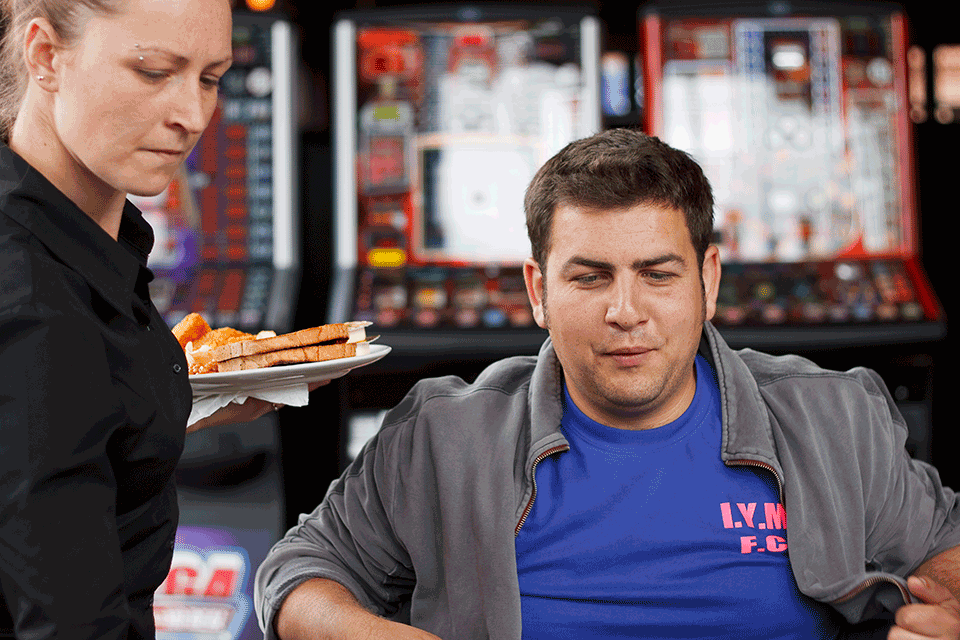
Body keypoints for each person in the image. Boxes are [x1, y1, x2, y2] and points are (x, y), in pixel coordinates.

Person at [254, 129, 960, 640]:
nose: (626, 311)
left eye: (658, 275)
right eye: (590, 278)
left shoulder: (834, 417)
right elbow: (297, 572)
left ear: (708, 281)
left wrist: (947, 608)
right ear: (538, 291)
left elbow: (944, 545)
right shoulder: (444, 435)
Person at [0, 0, 293, 637]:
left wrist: (180, 401)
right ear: (46, 55)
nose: (193, 115)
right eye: (153, 71)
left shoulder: (81, 243)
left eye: (210, 79)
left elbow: (60, 430)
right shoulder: (36, 303)